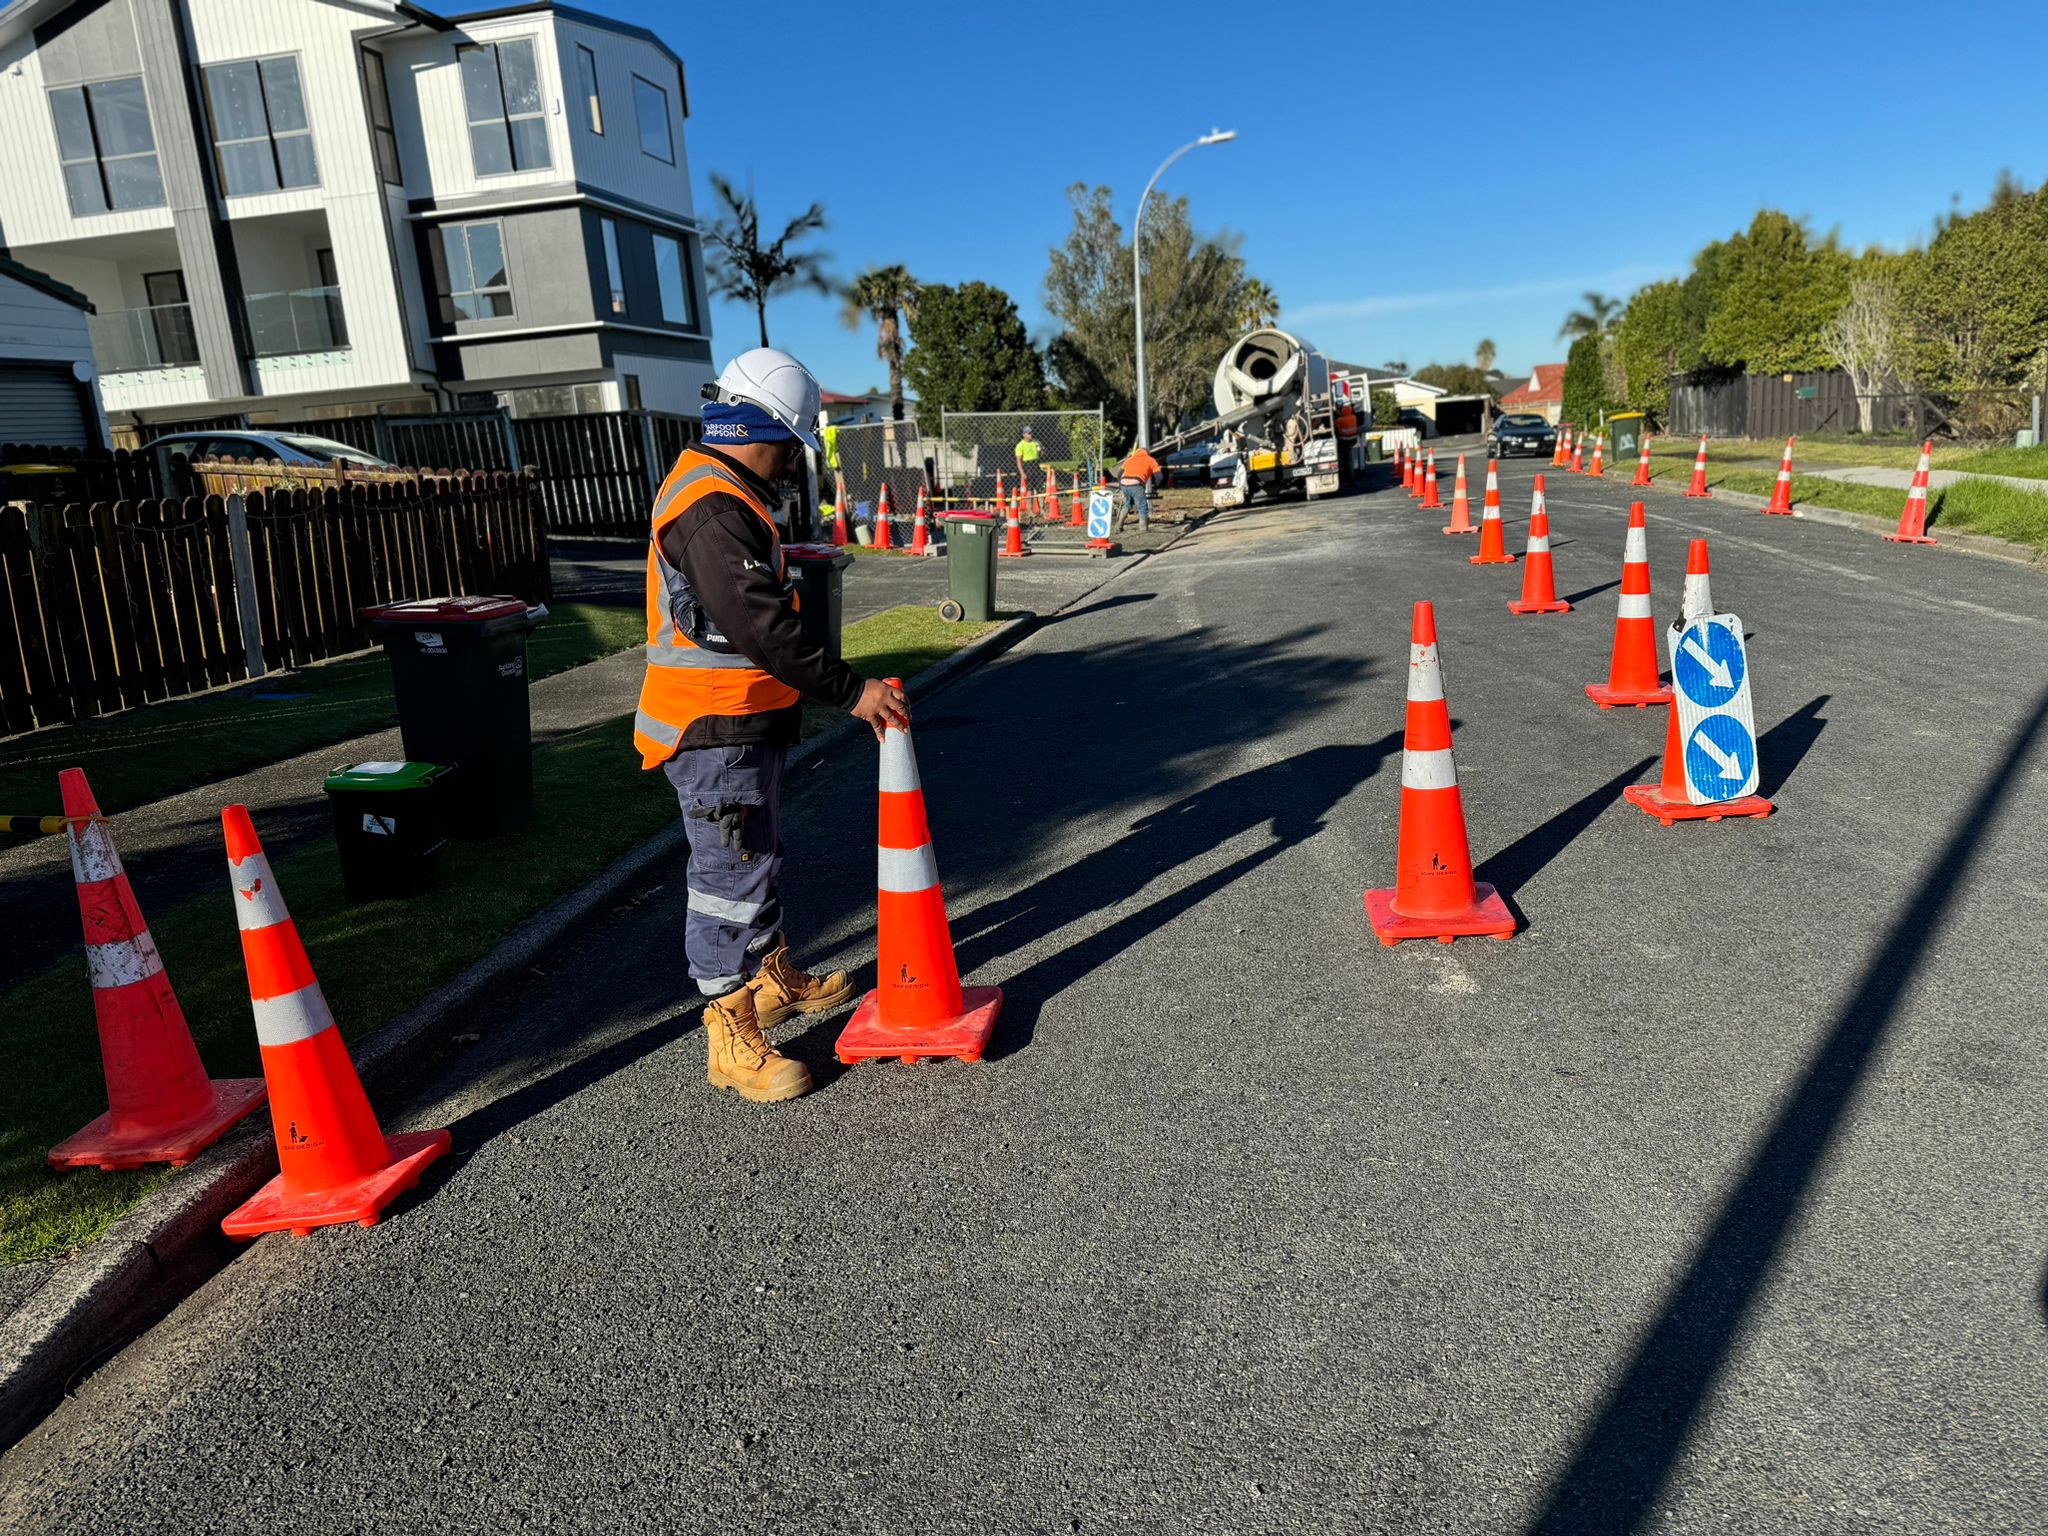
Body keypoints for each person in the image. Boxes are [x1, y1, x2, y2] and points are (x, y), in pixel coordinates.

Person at [633, 347, 910, 1105]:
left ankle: (772, 979)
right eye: (793, 445)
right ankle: (732, 1040)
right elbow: (760, 627)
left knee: (756, 859)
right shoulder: (712, 507)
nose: (793, 462)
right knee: (727, 881)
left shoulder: (726, 491)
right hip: (711, 730)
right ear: (766, 430)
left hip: (742, 724)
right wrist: (851, 693)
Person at [1116, 443, 1160, 532]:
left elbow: (1119, 475)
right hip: (1136, 484)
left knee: (1128, 504)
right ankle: (1143, 529)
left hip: (1124, 484)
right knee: (1142, 506)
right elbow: (1159, 476)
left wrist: (1121, 486)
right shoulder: (1151, 460)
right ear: (1147, 453)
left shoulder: (1128, 460)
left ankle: (1118, 526)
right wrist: (1155, 487)